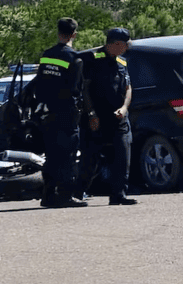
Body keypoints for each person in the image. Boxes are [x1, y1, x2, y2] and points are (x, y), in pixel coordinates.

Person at [78, 28, 137, 205]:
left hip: (118, 118)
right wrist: (91, 114)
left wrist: (125, 107)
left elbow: (128, 88)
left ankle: (119, 195)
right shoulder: (92, 59)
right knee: (90, 159)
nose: (127, 47)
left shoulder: (122, 62)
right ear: (115, 44)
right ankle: (77, 192)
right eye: (125, 44)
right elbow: (85, 89)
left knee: (122, 156)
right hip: (96, 119)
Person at [36, 17, 87, 208]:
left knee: (51, 155)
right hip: (66, 113)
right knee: (67, 155)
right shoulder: (74, 58)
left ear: (58, 33)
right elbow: (75, 89)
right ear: (74, 34)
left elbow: (40, 85)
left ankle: (48, 194)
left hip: (48, 112)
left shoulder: (47, 55)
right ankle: (65, 195)